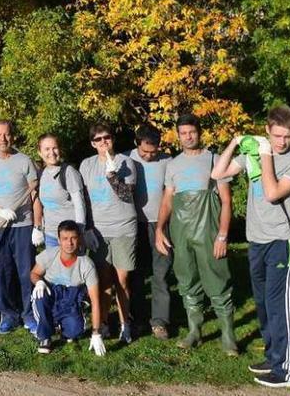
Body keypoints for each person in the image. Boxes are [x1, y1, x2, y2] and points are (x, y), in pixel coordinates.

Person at [212, 106, 290, 388]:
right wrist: (235, 143)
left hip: (283, 242)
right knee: (264, 306)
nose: (283, 142)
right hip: (256, 241)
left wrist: (265, 154)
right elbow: (217, 173)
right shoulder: (253, 154)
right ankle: (273, 358)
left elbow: (271, 193)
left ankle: (288, 371)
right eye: (277, 136)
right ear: (267, 130)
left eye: (288, 136)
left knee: (279, 307)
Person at [156, 113, 237, 355]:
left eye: (192, 132)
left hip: (208, 230)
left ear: (199, 132)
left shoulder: (214, 160)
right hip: (180, 232)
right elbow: (168, 200)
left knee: (218, 280)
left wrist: (222, 235)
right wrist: (159, 229)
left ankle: (228, 336)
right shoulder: (173, 164)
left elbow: (226, 200)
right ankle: (194, 332)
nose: (188, 137)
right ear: (178, 136)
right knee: (187, 281)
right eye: (183, 133)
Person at [0, 120, 39, 334]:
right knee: (1, 272)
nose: (3, 139)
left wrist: (37, 226)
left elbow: (35, 195)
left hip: (23, 225)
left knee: (25, 271)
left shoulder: (25, 161)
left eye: (7, 134)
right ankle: (7, 314)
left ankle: (29, 314)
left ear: (13, 136)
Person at [79, 122, 138, 344]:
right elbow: (83, 198)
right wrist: (86, 228)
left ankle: (125, 325)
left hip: (123, 228)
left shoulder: (127, 162)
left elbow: (125, 194)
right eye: (99, 139)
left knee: (122, 281)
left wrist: (112, 175)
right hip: (99, 231)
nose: (104, 142)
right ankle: (102, 323)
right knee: (102, 281)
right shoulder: (86, 165)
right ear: (93, 144)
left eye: (107, 138)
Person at [30, 220, 106, 356]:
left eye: (73, 238)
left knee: (75, 331)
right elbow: (34, 273)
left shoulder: (87, 265)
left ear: (79, 239)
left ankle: (63, 326)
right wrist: (39, 282)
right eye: (65, 239)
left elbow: (95, 301)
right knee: (39, 295)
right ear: (59, 240)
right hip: (51, 293)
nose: (69, 243)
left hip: (71, 297)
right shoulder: (49, 255)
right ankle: (45, 337)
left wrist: (96, 333)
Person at [126, 124, 172, 340]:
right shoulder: (126, 159)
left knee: (160, 273)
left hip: (159, 223)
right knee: (136, 274)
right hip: (134, 224)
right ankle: (138, 319)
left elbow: (169, 193)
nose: (149, 155)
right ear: (137, 144)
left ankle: (160, 321)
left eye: (153, 151)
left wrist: (162, 226)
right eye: (145, 151)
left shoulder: (167, 162)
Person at [32, 134, 86, 250]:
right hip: (51, 235)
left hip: (69, 237)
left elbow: (80, 205)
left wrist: (80, 232)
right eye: (47, 149)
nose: (52, 152)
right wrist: (39, 228)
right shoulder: (42, 174)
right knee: (53, 268)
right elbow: (42, 205)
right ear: (40, 152)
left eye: (54, 148)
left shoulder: (69, 172)